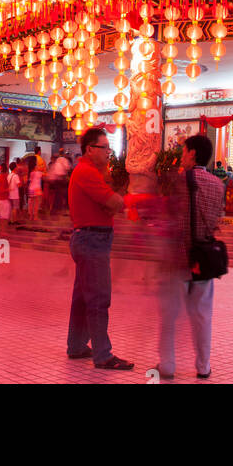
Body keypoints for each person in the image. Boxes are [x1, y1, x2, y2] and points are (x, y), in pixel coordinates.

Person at [156, 133, 225, 381]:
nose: (181, 156)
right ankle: (203, 366)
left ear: (193, 153)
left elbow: (168, 217)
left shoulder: (178, 181)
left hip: (177, 257)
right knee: (202, 315)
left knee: (169, 314)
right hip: (203, 259)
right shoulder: (219, 185)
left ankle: (168, 365)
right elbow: (217, 221)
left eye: (184, 151)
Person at [66, 125, 132, 371]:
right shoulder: (87, 172)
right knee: (98, 299)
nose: (108, 152)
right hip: (92, 241)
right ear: (90, 149)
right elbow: (113, 202)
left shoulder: (90, 172)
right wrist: (119, 200)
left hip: (89, 239)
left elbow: (110, 203)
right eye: (104, 148)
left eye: (109, 147)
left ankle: (77, 346)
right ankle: (103, 355)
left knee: (83, 297)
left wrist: (114, 200)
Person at [47, 151, 71, 217]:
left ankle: (55, 210)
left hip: (56, 179)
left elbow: (54, 170)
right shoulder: (65, 160)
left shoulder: (57, 160)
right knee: (62, 194)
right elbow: (67, 168)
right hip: (61, 179)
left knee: (57, 195)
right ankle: (60, 209)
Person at [0, 159, 12, 229]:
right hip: (4, 198)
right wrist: (8, 189)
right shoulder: (5, 177)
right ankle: (3, 231)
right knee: (4, 217)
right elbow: (1, 189)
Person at [28, 154, 45, 220]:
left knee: (31, 202)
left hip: (31, 188)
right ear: (35, 166)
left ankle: (30, 215)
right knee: (36, 203)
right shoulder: (38, 173)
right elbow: (46, 175)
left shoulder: (30, 172)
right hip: (37, 188)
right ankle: (35, 216)